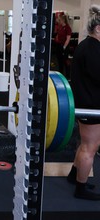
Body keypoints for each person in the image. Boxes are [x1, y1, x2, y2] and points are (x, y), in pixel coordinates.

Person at [67, 4, 100, 201]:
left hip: (86, 102)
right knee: (91, 147)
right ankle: (80, 189)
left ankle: (74, 175)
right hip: (91, 104)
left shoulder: (87, 45)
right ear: (98, 28)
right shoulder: (93, 50)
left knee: (84, 143)